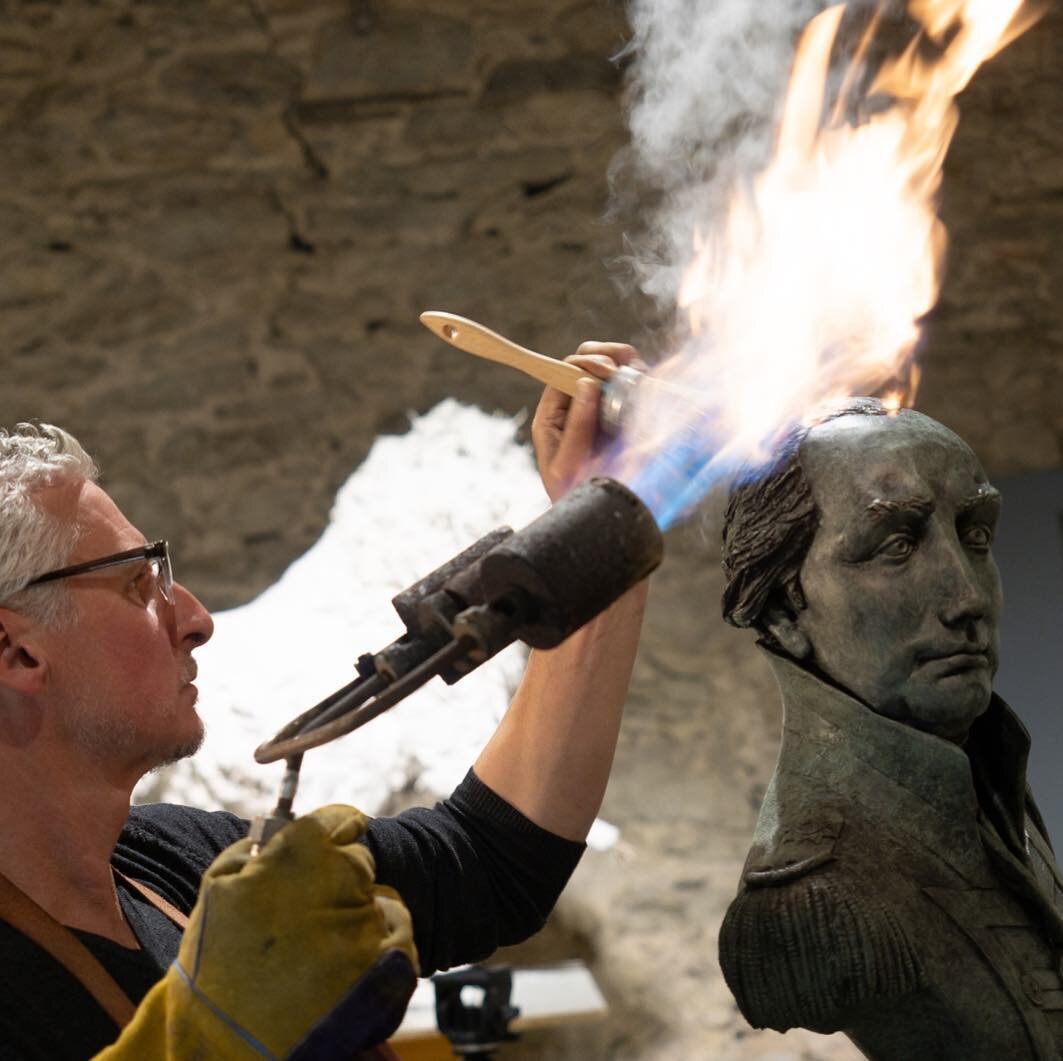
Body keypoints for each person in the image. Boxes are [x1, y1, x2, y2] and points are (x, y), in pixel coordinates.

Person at [0, 342, 649, 1059]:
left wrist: (603, 521)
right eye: (135, 584)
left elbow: (491, 862)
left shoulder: (181, 862)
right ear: (18, 651)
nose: (195, 618)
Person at [717, 398, 1063, 1060]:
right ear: (788, 609)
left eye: (975, 536)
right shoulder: (808, 901)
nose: (965, 597)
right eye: (895, 546)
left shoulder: (987, 773)